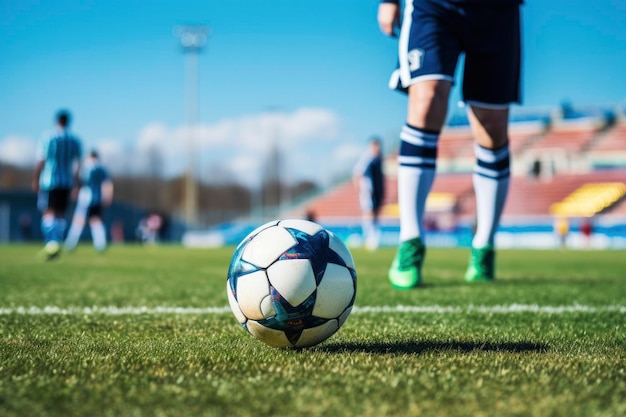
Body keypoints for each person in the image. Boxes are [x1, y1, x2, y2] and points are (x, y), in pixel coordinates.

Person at [378, 0, 522, 288]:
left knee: (492, 126)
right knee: (427, 99)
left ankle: (484, 246)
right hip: (433, 6)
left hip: (498, 10)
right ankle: (410, 241)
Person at [32, 109, 83, 260]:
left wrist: (35, 178)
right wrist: (77, 183)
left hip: (49, 181)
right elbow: (78, 165)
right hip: (66, 182)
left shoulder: (47, 137)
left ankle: (52, 243)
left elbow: (41, 160)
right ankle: (56, 243)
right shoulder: (74, 140)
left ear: (56, 120)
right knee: (60, 214)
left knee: (48, 212)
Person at [64, 150, 114, 252]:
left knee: (79, 221)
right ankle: (100, 245)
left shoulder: (85, 167)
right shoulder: (102, 168)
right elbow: (107, 184)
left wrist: (76, 190)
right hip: (97, 198)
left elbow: (79, 181)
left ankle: (70, 244)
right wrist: (108, 196)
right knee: (96, 220)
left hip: (85, 197)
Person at [353, 137, 386, 250]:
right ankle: (370, 237)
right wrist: (360, 188)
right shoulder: (367, 158)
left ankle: (375, 236)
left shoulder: (379, 158)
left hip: (378, 190)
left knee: (376, 214)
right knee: (369, 212)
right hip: (368, 190)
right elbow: (358, 173)